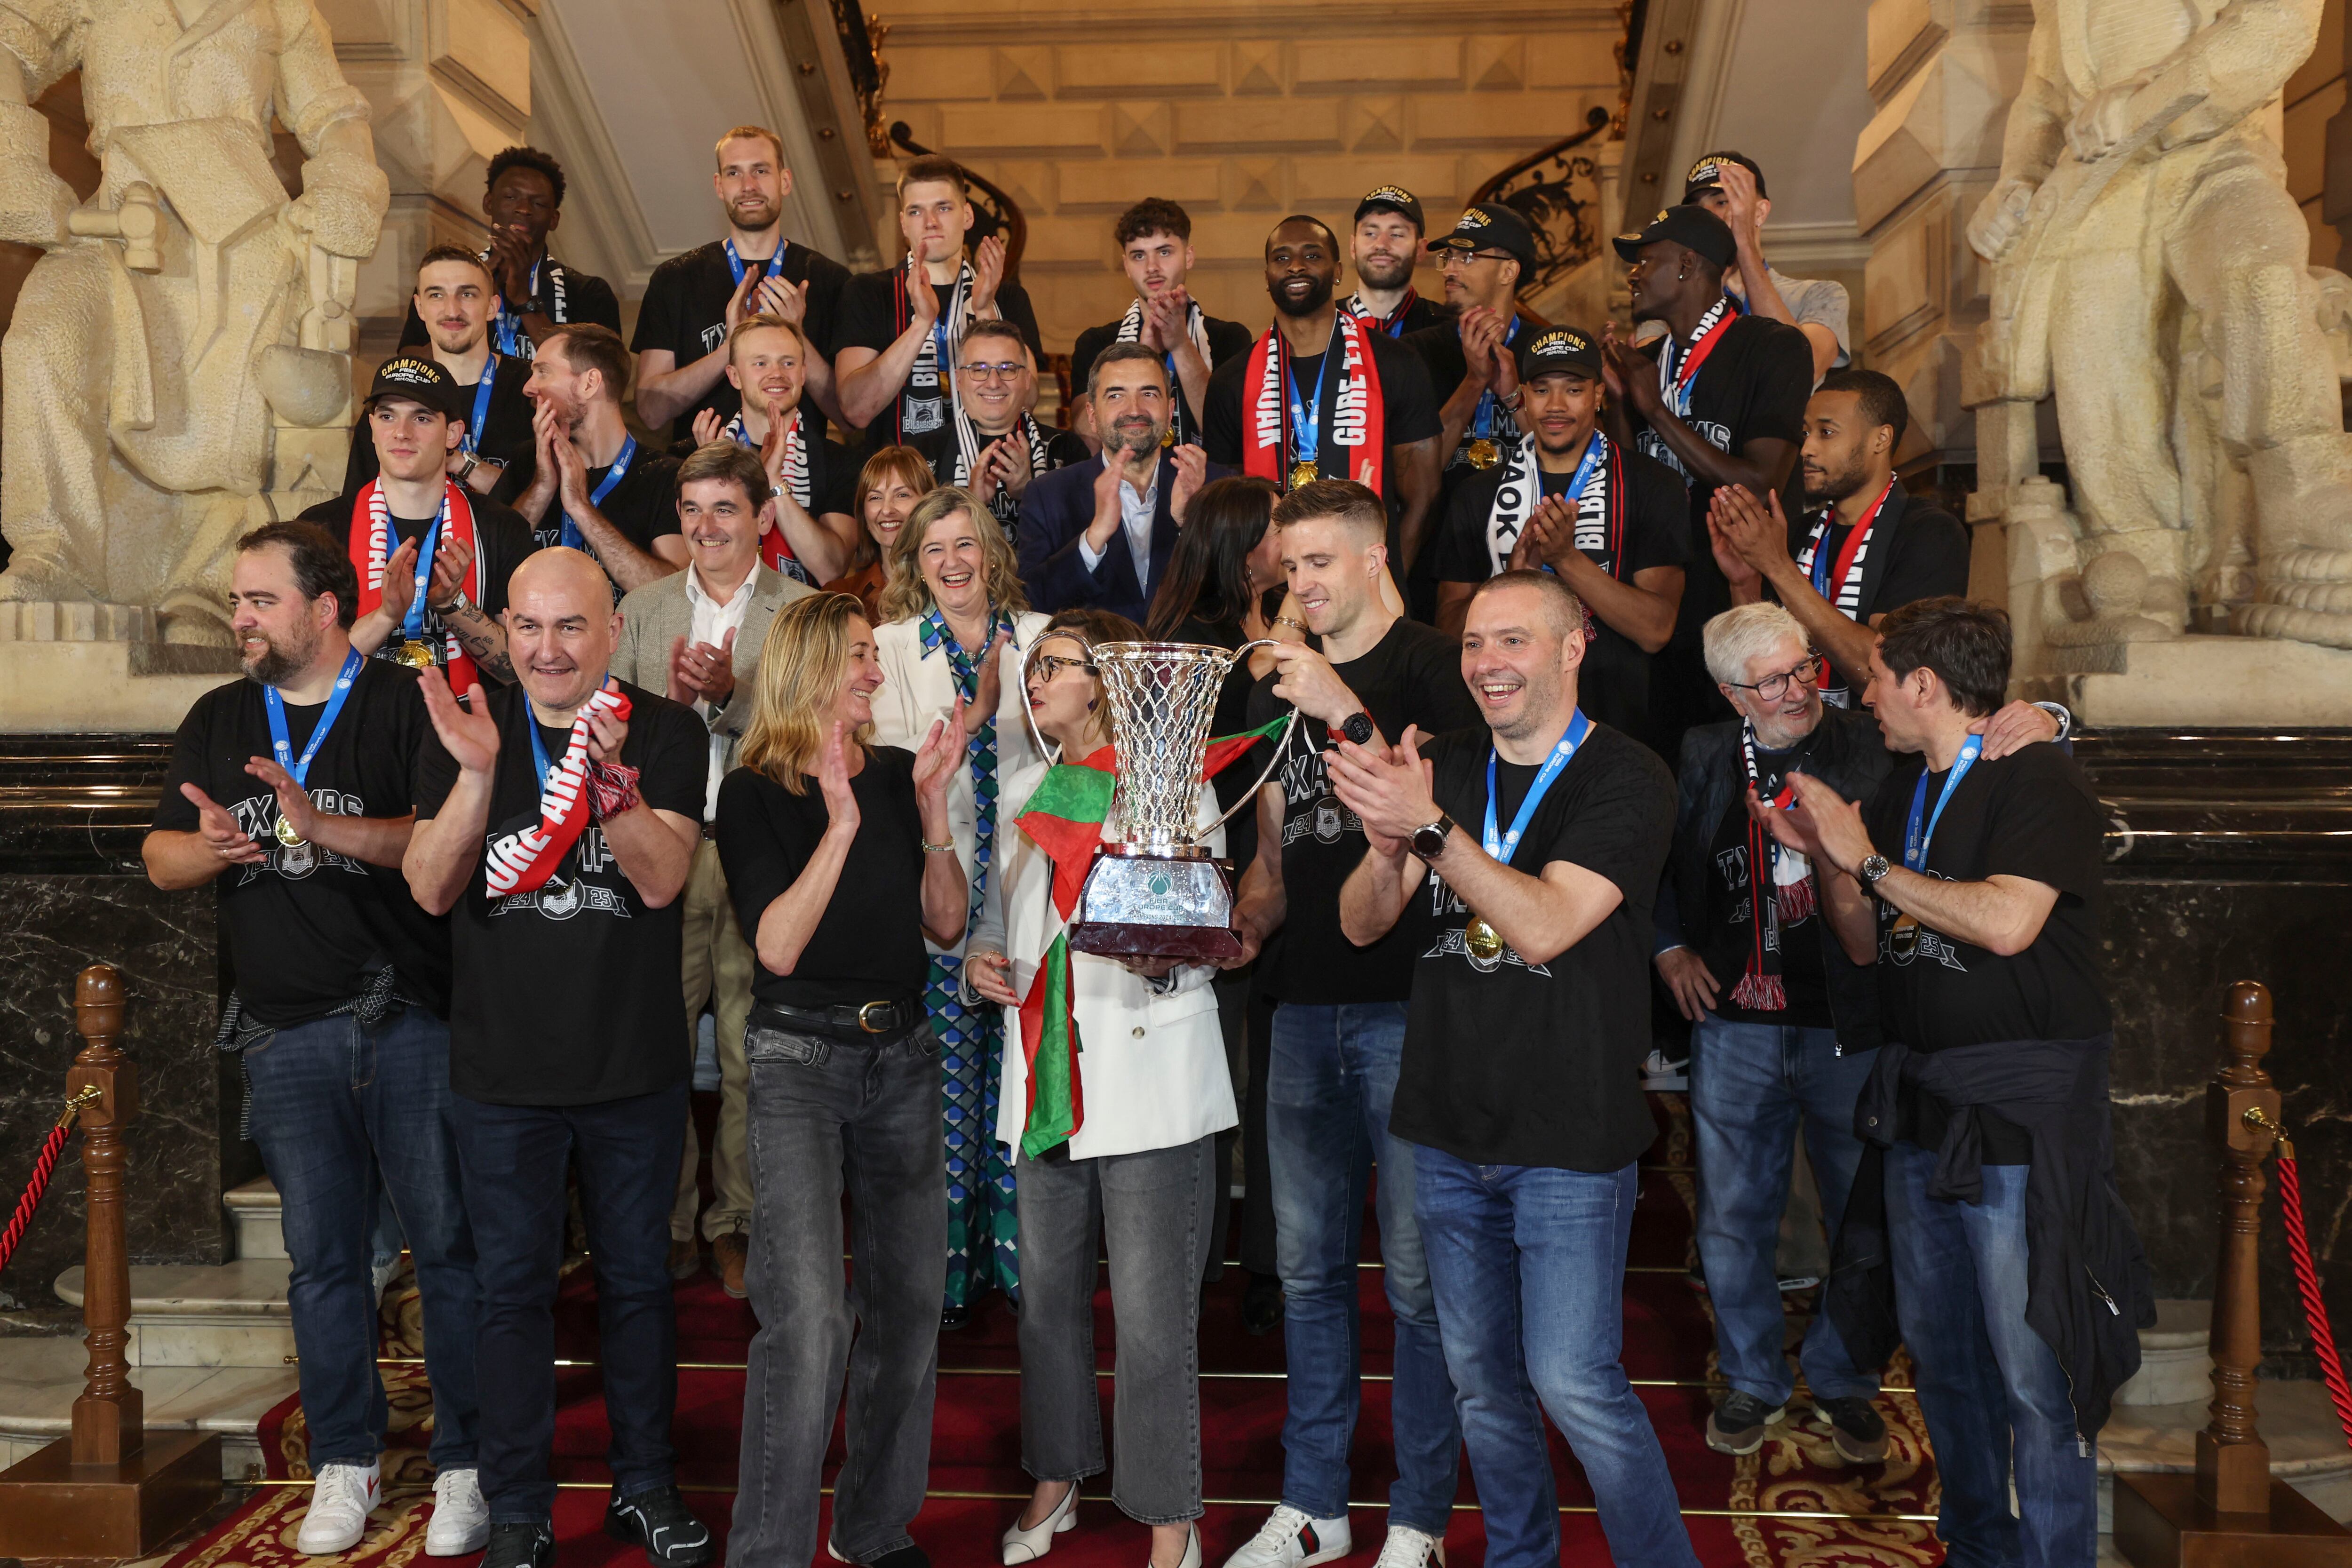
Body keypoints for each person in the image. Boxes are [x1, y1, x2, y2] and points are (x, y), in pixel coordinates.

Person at [1756, 597, 2145, 1568]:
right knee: (1943, 1362)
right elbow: (1863, 941)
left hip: (2017, 1117)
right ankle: (1977, 1548)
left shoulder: (2035, 776)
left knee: (2034, 1371)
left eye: (1878, 676)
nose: (1864, 692)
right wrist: (1831, 864)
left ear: (1924, 685)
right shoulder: (1898, 788)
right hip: (1921, 1111)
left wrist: (1869, 860)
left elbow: (2009, 924)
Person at [1329, 569, 1699, 1568]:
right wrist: (1381, 847)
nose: (1486, 664)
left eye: (1512, 642)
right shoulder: (1438, 764)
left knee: (1573, 1379)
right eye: (1473, 644)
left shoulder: (1628, 776)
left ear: (1573, 646)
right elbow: (1364, 925)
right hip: (1445, 1124)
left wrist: (1427, 828)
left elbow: (1538, 927)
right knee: (1481, 1385)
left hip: (1569, 1132)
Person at [143, 522, 485, 1560]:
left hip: (412, 1017)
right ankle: (345, 1458)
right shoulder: (217, 716)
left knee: (450, 1250)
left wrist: (314, 824)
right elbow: (159, 859)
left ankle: (470, 1463)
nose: (240, 618)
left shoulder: (397, 703)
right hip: (284, 1029)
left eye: (259, 600)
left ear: (326, 607)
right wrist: (212, 844)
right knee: (323, 1263)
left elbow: (440, 849)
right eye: (238, 601)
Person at [1657, 602, 2066, 1462]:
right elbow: (1663, 863)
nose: (1800, 688)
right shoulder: (1700, 752)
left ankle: (1845, 1377)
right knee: (1733, 1211)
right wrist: (1668, 948)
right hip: (1736, 1016)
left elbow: (1975, 731)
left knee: (1864, 1214)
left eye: (1805, 667)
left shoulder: (1868, 741)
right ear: (1735, 695)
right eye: (1773, 680)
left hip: (1853, 1018)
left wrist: (2055, 714)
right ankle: (1753, 1377)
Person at [403, 548, 714, 1568]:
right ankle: (521, 1503)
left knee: (637, 1286)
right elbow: (429, 886)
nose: (546, 648)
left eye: (569, 626)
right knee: (510, 1293)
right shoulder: (467, 725)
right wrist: (480, 772)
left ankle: (645, 1484)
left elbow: (664, 881)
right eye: (528, 627)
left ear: (613, 630)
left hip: (632, 1065)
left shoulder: (664, 728)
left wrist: (612, 781)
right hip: (501, 1073)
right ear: (506, 627)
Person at [1221, 481, 1478, 1568]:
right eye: (1290, 568)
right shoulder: (1274, 682)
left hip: (1411, 1010)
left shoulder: (1430, 665)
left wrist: (1340, 704)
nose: (1301, 584)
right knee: (1308, 1273)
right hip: (1297, 1005)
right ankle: (1313, 1504)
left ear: (1373, 561)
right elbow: (1277, 855)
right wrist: (1235, 914)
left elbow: (1439, 830)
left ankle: (1417, 1516)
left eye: (1320, 563)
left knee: (1418, 1283)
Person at [966, 607, 1234, 1568]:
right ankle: (1057, 1476)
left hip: (1148, 1076)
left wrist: (1163, 942)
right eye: (1032, 666)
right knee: (1044, 1299)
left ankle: (1172, 1516)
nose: (1036, 679)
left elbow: (1209, 933)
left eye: (1058, 664)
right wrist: (984, 966)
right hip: (1045, 1078)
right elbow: (1006, 929)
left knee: (1156, 1316)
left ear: (1106, 682)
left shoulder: (1170, 782)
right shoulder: (1031, 788)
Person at [714, 592, 968, 1568]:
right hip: (798, 1068)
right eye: (860, 654)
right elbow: (776, 946)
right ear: (813, 665)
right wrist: (839, 823)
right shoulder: (753, 790)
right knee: (810, 1320)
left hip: (904, 1058)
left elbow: (943, 923)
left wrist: (933, 810)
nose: (874, 670)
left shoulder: (902, 774)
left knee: (908, 1308)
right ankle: (769, 1553)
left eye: (874, 654)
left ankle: (872, 1528)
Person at [608, 441, 817, 1298]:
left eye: (723, 509)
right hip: (661, 842)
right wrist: (676, 708)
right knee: (655, 1043)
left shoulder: (803, 612)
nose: (705, 527)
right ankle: (663, 1220)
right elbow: (607, 729)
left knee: (747, 1050)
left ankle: (736, 1222)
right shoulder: (646, 606)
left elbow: (809, 731)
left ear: (763, 516)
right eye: (692, 510)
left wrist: (729, 696)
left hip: (756, 851)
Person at [870, 486, 1048, 1329]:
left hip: (1032, 900)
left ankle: (1022, 1271)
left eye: (965, 543)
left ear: (991, 552)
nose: (951, 561)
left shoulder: (1043, 641)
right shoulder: (888, 649)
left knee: (1018, 1090)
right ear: (914, 561)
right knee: (945, 1098)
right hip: (933, 899)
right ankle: (946, 1280)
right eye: (933, 547)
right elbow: (887, 781)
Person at [1144, 475, 1291, 1317]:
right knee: (1210, 1080)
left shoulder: (1272, 625)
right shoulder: (1189, 639)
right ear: (1240, 542)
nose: (1291, 541)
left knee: (1269, 1080)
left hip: (1276, 874)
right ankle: (1195, 1265)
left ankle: (1267, 1261)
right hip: (1209, 881)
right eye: (1279, 528)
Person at [1603, 201, 1814, 761]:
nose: (1633, 273)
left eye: (1646, 260)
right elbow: (1627, 483)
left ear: (1687, 266)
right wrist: (1623, 405)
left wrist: (1657, 412)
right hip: (1657, 598)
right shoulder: (1646, 359)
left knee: (1738, 759)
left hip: (1736, 594)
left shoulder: (1770, 345)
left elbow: (1761, 479)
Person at [1432, 327, 1688, 752]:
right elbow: (1447, 631)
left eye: (1573, 389)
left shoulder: (1653, 485)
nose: (1555, 406)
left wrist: (1567, 559)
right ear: (1524, 397)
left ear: (1598, 395)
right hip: (1505, 731)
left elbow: (1656, 629)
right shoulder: (1477, 495)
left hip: (1619, 727)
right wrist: (1514, 583)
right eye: (1542, 390)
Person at [1707, 369, 1971, 706]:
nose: (1806, 449)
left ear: (1881, 439)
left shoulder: (1932, 533)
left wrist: (1777, 565)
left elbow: (1887, 671)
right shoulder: (1797, 533)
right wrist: (1744, 583)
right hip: (1799, 737)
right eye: (1806, 433)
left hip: (1882, 749)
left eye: (1826, 433)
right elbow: (1759, 668)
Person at [1204, 216, 1443, 583]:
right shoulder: (1231, 381)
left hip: (1371, 592)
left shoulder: (1396, 363)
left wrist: (1378, 582)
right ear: (1266, 276)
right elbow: (1232, 512)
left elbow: (1422, 498)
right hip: (1269, 596)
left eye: (1312, 255)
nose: (1296, 266)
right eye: (1282, 259)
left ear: (1338, 271)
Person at [302, 357, 533, 691]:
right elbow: (306, 669)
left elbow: (520, 671)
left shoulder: (502, 528)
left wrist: (453, 604)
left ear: (453, 433)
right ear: (372, 428)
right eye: (387, 416)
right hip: (360, 732)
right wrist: (387, 615)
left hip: (469, 728)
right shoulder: (319, 529)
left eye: (421, 418)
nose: (401, 433)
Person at [634, 126, 854, 444]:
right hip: (703, 477)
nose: (748, 186)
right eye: (734, 173)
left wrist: (796, 337)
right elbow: (651, 412)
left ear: (785, 180)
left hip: (800, 478)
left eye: (761, 171)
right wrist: (732, 346)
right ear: (719, 185)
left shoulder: (829, 280)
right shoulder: (675, 279)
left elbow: (850, 418)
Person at [835, 155, 1045, 444]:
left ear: (968, 216)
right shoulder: (868, 291)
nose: (931, 223)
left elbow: (1027, 402)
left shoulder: (1006, 298)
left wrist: (985, 311)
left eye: (943, 208)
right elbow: (856, 411)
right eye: (916, 212)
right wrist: (922, 325)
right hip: (902, 482)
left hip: (984, 473)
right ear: (903, 224)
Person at [1018, 346, 1215, 623]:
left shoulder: (1214, 484)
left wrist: (1190, 522)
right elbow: (1030, 602)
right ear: (1091, 414)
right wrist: (1095, 537)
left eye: (1149, 394)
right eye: (1116, 396)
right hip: (1093, 664)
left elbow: (1237, 596)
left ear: (1170, 409)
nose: (1134, 410)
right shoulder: (1048, 494)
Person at [396, 145, 624, 362]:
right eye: (511, 198)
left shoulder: (589, 293)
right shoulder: (444, 285)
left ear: (554, 219)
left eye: (539, 203)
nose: (523, 209)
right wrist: (477, 292)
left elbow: (597, 374)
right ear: (489, 203)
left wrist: (525, 300)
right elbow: (410, 365)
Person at [352, 245, 536, 502]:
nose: (452, 310)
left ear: (493, 307)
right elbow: (360, 503)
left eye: (468, 294)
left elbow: (549, 503)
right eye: (436, 295)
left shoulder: (533, 389)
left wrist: (461, 463)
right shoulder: (392, 395)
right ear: (420, 307)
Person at [516, 325, 689, 595]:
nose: (528, 387)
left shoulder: (667, 476)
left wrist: (581, 507)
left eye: (543, 372)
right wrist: (543, 485)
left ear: (589, 383)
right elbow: (490, 570)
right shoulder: (528, 463)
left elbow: (673, 596)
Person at [1069, 199, 1254, 446]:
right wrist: (1142, 357)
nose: (1152, 267)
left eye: (1164, 252)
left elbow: (1229, 432)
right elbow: (1086, 434)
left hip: (1207, 482)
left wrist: (1181, 346)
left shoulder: (1229, 338)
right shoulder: (1096, 342)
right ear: (1126, 265)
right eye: (1139, 256)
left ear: (1189, 257)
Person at [691, 314, 860, 586]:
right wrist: (713, 476)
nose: (777, 374)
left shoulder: (839, 461)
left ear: (803, 374)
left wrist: (774, 483)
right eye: (760, 363)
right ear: (735, 376)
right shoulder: (698, 455)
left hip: (803, 622)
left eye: (788, 363)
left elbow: (831, 569)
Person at [1684, 152, 1851, 385]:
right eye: (1697, 210)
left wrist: (1743, 244)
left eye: (1722, 202)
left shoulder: (1820, 294)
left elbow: (1803, 370)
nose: (1708, 217)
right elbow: (1662, 380)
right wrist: (1712, 281)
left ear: (1759, 213)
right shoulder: (1671, 297)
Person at [911, 319, 1071, 540]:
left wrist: (1029, 493)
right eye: (979, 369)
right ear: (958, 380)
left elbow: (1084, 547)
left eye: (1007, 369)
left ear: (1026, 380)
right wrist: (972, 503)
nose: (994, 383)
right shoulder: (920, 454)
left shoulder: (1066, 449)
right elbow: (910, 545)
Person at [826, 445, 936, 621]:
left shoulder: (951, 587)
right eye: (875, 498)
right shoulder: (838, 597)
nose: (887, 510)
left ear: (929, 505)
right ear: (864, 515)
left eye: (902, 495)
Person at [1344, 187, 1446, 338]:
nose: (1381, 244)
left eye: (1397, 235)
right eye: (1370, 233)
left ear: (1420, 250)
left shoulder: (1446, 330)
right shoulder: (1323, 324)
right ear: (1353, 247)